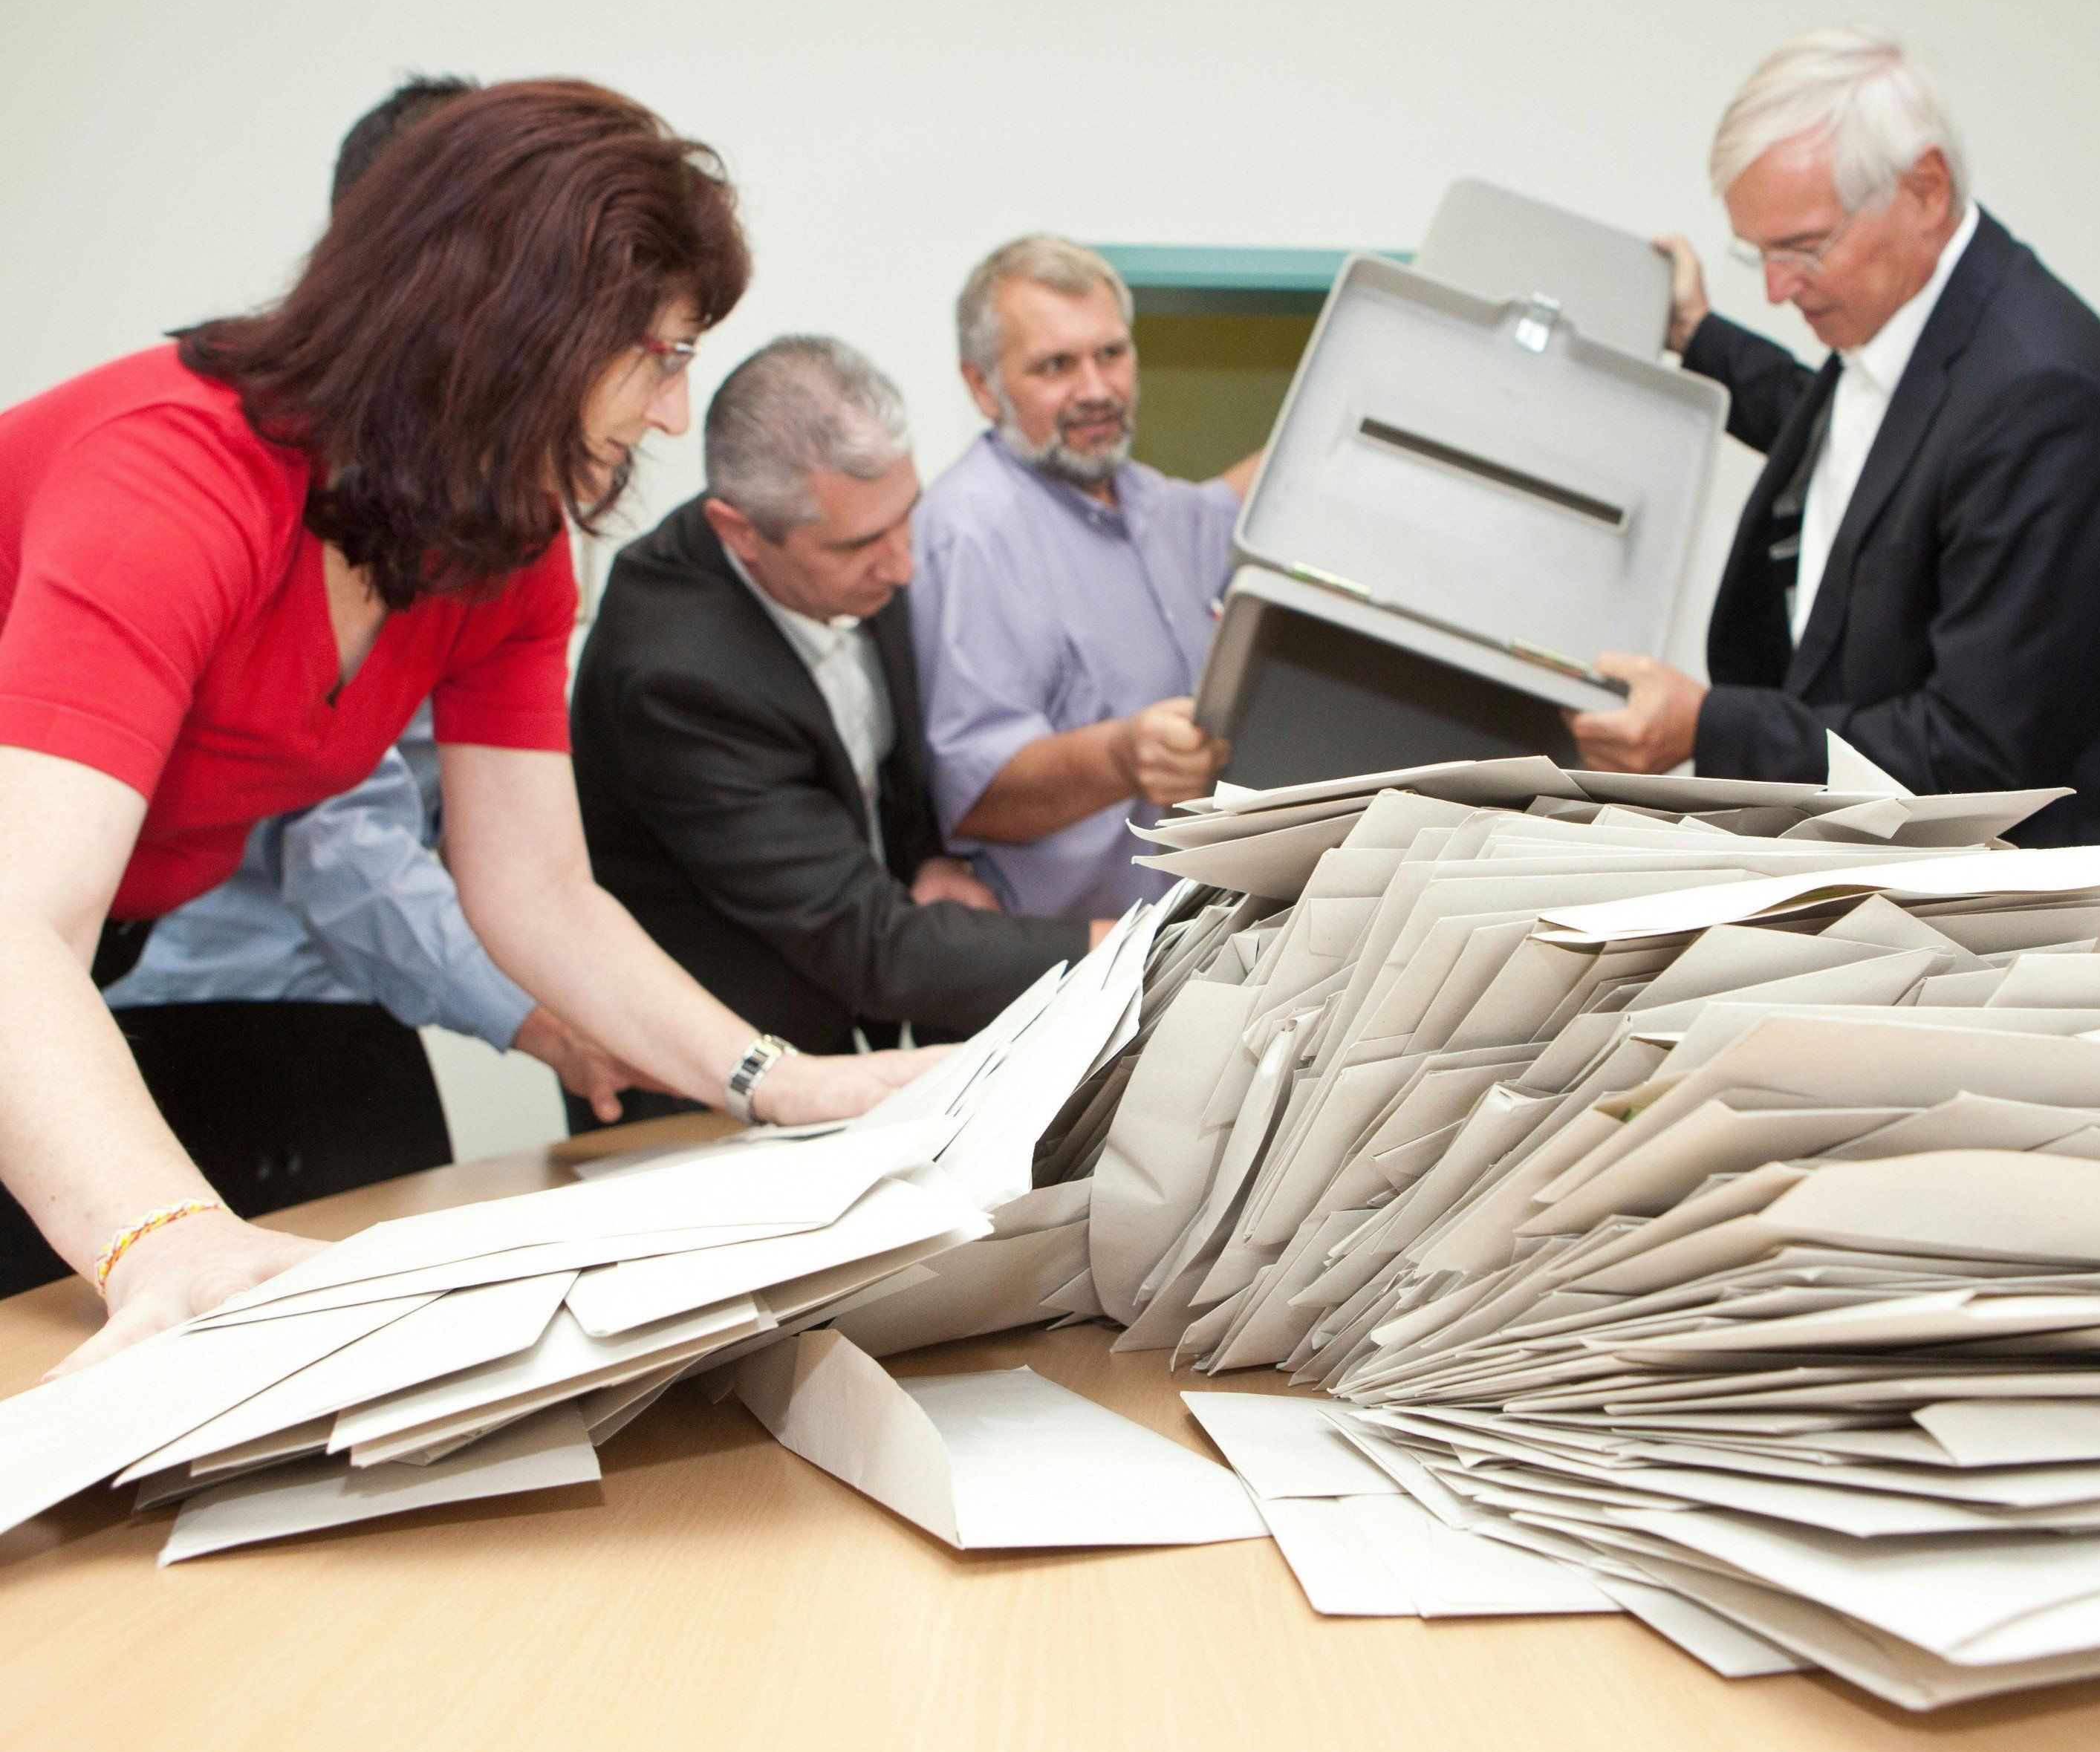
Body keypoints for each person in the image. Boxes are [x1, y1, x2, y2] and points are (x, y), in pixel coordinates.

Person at [0, 79, 938, 1363]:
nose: (674, 414)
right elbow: (14, 921)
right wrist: (162, 1230)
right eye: (662, 355)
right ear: (515, 329)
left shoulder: (503, 546)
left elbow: (540, 892)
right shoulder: (172, 477)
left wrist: (781, 1080)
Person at [86, 81, 643, 1294]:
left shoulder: (487, 518)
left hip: (343, 1015)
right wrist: (535, 1012)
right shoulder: (211, 477)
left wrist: (736, 1059)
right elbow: (342, 847)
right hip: (179, 1028)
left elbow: (532, 875)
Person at [1567, 27, 2100, 938]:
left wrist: (1712, 727)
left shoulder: (2043, 396)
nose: (1778, 289)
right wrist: (1699, 336)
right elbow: (1870, 459)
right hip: (1915, 921)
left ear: (1924, 190)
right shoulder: (1907, 329)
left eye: (1804, 248)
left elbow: (1979, 753)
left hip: (2036, 956)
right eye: (1758, 254)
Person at [570, 335, 1102, 1129]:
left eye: (905, 520)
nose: (903, 567)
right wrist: (1110, 947)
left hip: (850, 1025)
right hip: (708, 1071)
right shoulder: (674, 674)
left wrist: (925, 851)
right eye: (860, 546)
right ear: (740, 530)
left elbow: (877, 756)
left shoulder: (851, 540)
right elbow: (863, 941)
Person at [907, 235, 1260, 922]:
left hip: (1185, 940)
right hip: (1067, 977)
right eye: (1055, 366)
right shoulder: (968, 533)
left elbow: (1247, 502)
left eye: (1111, 354)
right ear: (983, 386)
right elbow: (977, 795)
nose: (1096, 390)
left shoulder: (1147, 499)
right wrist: (1122, 757)